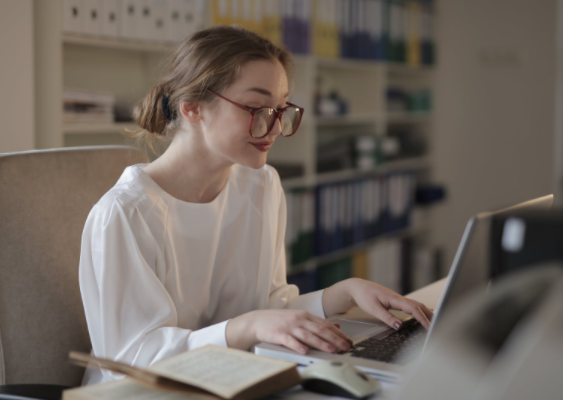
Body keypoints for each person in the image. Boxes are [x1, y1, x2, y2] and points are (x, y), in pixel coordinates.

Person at [78, 26, 433, 385]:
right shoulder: (126, 213)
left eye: (280, 109)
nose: (275, 127)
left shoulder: (261, 185)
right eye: (256, 108)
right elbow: (130, 362)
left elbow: (269, 310)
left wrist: (341, 293)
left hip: (234, 380)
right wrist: (245, 326)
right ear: (192, 108)